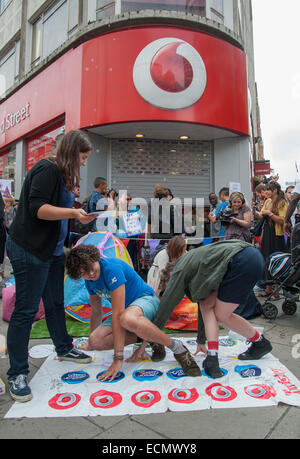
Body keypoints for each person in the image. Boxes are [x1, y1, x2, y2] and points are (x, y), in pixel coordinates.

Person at [5, 130, 97, 403]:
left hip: (52, 252)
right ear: (70, 152)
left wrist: (72, 229)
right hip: (30, 251)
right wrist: (73, 212)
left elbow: (54, 214)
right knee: (26, 311)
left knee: (56, 303)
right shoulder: (46, 169)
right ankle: (17, 373)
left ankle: (64, 347)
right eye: (82, 157)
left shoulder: (62, 175)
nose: (83, 163)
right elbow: (37, 209)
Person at [65, 244, 201, 380]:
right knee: (96, 340)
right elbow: (96, 311)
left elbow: (118, 315)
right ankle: (151, 337)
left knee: (126, 318)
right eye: (84, 273)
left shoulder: (111, 269)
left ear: (95, 258)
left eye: (91, 268)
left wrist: (118, 359)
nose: (91, 274)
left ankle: (178, 348)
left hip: (146, 299)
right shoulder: (90, 282)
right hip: (126, 311)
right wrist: (90, 342)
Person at [147, 240, 272, 379]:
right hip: (251, 258)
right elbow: (204, 307)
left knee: (221, 314)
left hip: (241, 259)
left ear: (172, 273)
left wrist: (150, 336)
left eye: (172, 283)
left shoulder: (179, 268)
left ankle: (217, 358)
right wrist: (201, 340)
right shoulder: (198, 267)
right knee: (215, 310)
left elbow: (167, 303)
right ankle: (255, 344)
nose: (177, 287)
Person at [255, 181, 288, 298]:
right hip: (267, 234)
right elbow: (262, 215)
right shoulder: (268, 201)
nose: (266, 192)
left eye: (268, 189)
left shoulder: (282, 203)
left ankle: (276, 290)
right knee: (266, 260)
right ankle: (268, 288)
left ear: (274, 190)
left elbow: (283, 220)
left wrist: (270, 214)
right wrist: (256, 211)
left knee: (276, 260)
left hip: (277, 235)